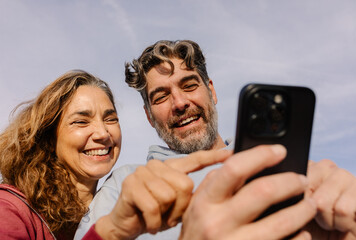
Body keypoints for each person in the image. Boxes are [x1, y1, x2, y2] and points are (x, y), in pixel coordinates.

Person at [75, 40, 356, 239]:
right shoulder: (125, 187)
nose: (179, 103)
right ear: (149, 116)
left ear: (211, 92)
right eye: (161, 97)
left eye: (189, 85)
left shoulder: (284, 165)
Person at [0, 69, 232, 240]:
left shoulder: (108, 204)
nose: (102, 133)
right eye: (81, 121)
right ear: (50, 138)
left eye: (111, 119)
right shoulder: (9, 209)